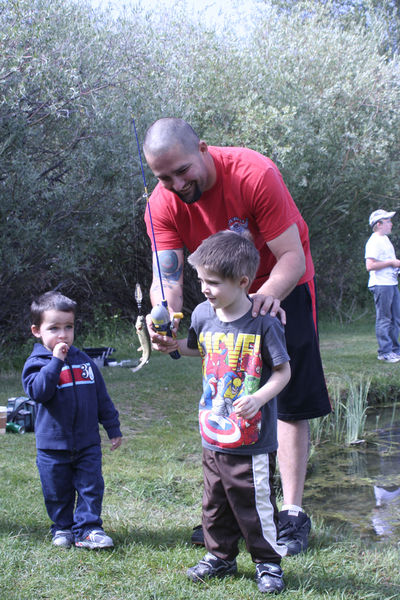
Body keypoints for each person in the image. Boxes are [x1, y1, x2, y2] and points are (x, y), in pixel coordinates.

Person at [143, 117, 331, 556]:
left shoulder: (254, 173)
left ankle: (292, 513)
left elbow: (291, 257)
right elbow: (166, 278)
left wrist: (263, 302)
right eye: (163, 177)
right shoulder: (161, 204)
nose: (175, 183)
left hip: (281, 284)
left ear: (203, 149)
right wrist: (166, 318)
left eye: (182, 171)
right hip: (224, 295)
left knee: (287, 399)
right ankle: (238, 511)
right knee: (231, 394)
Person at [162, 230, 290, 593]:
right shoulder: (203, 314)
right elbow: (195, 348)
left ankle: (267, 563)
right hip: (212, 432)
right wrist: (173, 347)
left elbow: (284, 372)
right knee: (214, 501)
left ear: (243, 282)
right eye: (201, 279)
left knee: (253, 503)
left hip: (251, 438)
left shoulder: (263, 323)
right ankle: (220, 557)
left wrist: (260, 399)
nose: (203, 288)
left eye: (213, 282)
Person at [22, 291, 122, 550]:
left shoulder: (84, 361)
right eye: (54, 328)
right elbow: (40, 391)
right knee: (57, 492)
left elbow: (101, 398)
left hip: (87, 443)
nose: (63, 334)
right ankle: (62, 527)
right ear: (37, 331)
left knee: (91, 487)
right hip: (52, 447)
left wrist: (112, 428)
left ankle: (89, 529)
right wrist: (56, 361)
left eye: (68, 327)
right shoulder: (36, 363)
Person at [365, 209, 400, 363]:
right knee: (384, 319)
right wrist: (392, 263)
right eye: (387, 221)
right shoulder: (374, 241)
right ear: (378, 224)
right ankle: (384, 352)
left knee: (395, 319)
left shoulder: (385, 240)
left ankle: (395, 350)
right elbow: (370, 265)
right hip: (381, 285)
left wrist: (395, 267)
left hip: (391, 283)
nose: (391, 224)